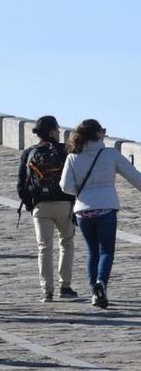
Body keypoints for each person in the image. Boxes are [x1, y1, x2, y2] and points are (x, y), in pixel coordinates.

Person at [60, 118, 141, 309]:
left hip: (83, 212)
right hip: (106, 209)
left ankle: (94, 294)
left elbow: (65, 186)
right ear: (97, 134)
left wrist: (81, 192)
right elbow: (135, 177)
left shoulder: (73, 157)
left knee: (92, 251)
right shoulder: (110, 154)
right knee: (106, 251)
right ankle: (101, 283)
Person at [17, 115, 78, 302]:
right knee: (66, 244)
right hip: (64, 204)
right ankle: (65, 287)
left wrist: (31, 205)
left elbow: (21, 185)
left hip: (40, 206)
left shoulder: (29, 153)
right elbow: (75, 179)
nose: (59, 132)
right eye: (58, 129)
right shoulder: (66, 151)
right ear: (52, 131)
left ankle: (47, 290)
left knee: (44, 248)